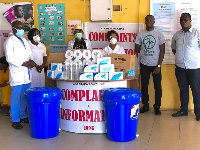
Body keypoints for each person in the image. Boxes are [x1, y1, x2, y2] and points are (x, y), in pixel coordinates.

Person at [4, 20, 36, 129]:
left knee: (24, 96)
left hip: (26, 74)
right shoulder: (9, 41)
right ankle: (15, 119)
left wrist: (30, 61)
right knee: (16, 98)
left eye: (23, 28)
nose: (22, 30)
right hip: (17, 74)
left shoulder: (24, 40)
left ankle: (23, 116)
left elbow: (29, 54)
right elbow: (9, 58)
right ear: (14, 29)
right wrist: (23, 63)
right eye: (20, 28)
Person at [171, 13, 200, 121]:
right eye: (182, 20)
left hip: (194, 68)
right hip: (180, 68)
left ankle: (198, 112)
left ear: (190, 20)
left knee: (196, 90)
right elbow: (174, 49)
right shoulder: (177, 35)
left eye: (186, 20)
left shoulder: (197, 33)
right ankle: (183, 111)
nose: (184, 21)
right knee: (183, 90)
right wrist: (181, 58)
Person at [135, 15, 165, 115]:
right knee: (144, 86)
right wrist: (144, 51)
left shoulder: (159, 34)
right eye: (147, 20)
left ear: (154, 21)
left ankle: (157, 107)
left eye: (150, 19)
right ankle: (146, 105)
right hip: (144, 64)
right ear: (145, 21)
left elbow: (162, 50)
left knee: (157, 87)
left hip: (156, 65)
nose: (149, 21)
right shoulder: (141, 34)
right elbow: (137, 48)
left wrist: (159, 65)